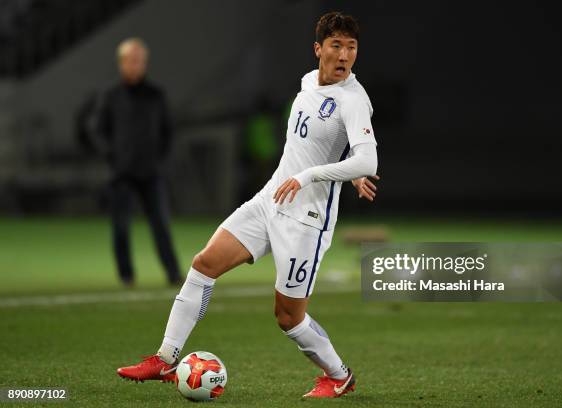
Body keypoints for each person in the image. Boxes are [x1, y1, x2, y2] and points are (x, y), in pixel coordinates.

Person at [117, 12, 380, 398]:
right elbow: (331, 147)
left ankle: (339, 376)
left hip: (306, 220)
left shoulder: (354, 99)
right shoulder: (309, 82)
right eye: (337, 46)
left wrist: (323, 175)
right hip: (271, 199)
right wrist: (346, 170)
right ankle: (165, 358)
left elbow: (368, 160)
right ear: (318, 49)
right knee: (204, 265)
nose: (344, 55)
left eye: (352, 47)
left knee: (288, 318)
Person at [96, 38, 181, 287]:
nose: (136, 65)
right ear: (122, 63)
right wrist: (112, 155)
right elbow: (99, 131)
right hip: (121, 173)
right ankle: (126, 276)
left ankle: (173, 273)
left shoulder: (156, 95)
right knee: (121, 228)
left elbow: (168, 131)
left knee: (161, 226)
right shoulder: (111, 96)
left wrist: (160, 160)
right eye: (131, 60)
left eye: (140, 61)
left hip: (151, 172)